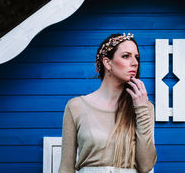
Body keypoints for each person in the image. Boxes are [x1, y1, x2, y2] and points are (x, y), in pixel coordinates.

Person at [58, 33, 157, 173]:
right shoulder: (76, 106)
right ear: (107, 63)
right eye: (126, 56)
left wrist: (141, 109)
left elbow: (146, 166)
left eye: (137, 57)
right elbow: (66, 168)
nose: (135, 62)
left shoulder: (145, 107)